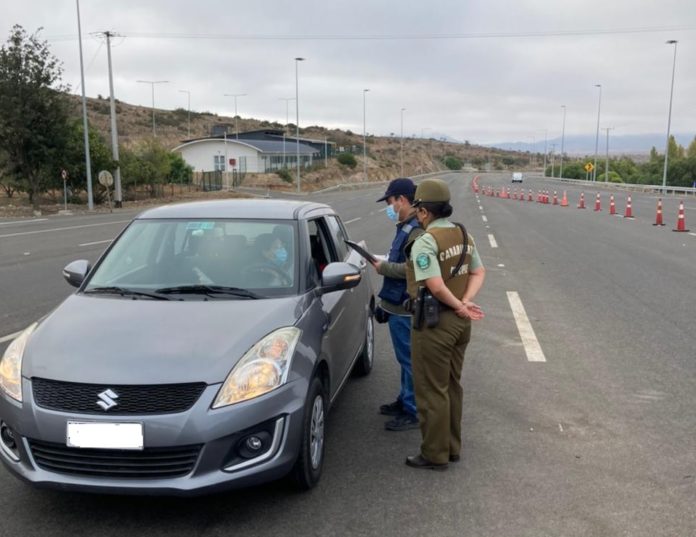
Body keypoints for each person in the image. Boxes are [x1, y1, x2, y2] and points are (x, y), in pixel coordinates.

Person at [403, 178, 486, 471]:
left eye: (417, 210)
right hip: (461, 324)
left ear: (424, 211)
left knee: (430, 389)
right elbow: (478, 272)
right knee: (451, 385)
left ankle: (434, 454)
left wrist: (457, 304)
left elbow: (435, 286)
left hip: (436, 323)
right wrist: (466, 301)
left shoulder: (425, 242)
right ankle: (452, 447)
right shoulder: (464, 234)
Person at [371, 178, 424, 431]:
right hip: (395, 305)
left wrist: (383, 267)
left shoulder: (416, 230)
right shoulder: (404, 226)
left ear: (402, 200)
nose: (389, 207)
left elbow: (414, 269)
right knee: (405, 360)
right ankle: (405, 400)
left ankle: (414, 411)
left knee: (410, 360)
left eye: (391, 202)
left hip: (406, 309)